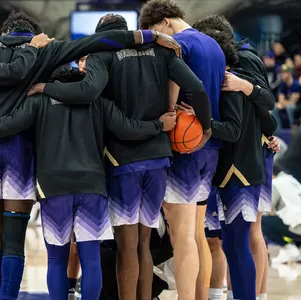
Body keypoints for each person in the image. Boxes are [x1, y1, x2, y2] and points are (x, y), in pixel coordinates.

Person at [0, 11, 181, 299]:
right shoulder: (48, 50)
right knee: (16, 237)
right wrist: (149, 35)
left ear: (4, 32)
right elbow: (97, 42)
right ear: (35, 35)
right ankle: (7, 297)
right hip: (22, 151)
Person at [34, 13, 208, 300]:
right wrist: (207, 129)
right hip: (158, 160)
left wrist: (44, 88)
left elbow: (89, 90)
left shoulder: (103, 56)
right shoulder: (162, 52)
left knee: (126, 247)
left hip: (122, 160)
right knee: (144, 242)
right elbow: (197, 88)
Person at [0, 67, 177, 300]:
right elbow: (128, 128)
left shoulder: (40, 101)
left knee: (57, 258)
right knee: (91, 259)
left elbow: (8, 125)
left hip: (54, 188)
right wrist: (159, 125)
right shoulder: (98, 101)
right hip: (92, 186)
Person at [139, 2, 227, 299]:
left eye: (154, 33)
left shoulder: (178, 44)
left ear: (165, 22)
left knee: (182, 235)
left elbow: (173, 86)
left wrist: (165, 113)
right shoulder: (214, 44)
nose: (156, 39)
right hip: (210, 147)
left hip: (184, 144)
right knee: (197, 232)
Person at [192, 14, 280, 300]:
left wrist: (246, 86)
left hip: (246, 160)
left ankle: (257, 295)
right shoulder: (214, 66)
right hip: (223, 160)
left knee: (249, 235)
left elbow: (267, 105)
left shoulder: (245, 58)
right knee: (226, 242)